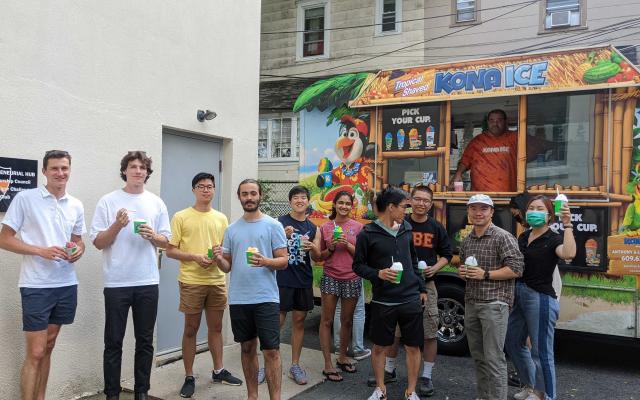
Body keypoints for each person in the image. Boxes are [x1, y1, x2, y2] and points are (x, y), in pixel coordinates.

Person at [0, 150, 86, 400]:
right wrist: (40, 250)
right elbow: (4, 239)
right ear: (45, 172)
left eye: (65, 168)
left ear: (70, 170)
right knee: (36, 352)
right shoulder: (26, 199)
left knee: (48, 347)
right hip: (36, 285)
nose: (60, 173)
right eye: (55, 168)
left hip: (66, 284)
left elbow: (78, 241)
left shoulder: (76, 204)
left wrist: (77, 251)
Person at [90, 151, 171, 400]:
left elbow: (166, 242)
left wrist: (152, 236)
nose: (137, 171)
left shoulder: (156, 202)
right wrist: (117, 225)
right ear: (124, 170)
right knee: (113, 341)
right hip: (117, 282)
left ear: (147, 172)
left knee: (145, 341)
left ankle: (142, 391)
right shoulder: (108, 201)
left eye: (142, 167)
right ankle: (112, 394)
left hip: (147, 281)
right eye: (133, 166)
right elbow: (98, 242)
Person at [367, 185, 452, 397]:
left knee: (429, 332)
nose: (421, 203)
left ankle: (426, 376)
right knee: (394, 335)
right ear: (410, 201)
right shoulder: (400, 223)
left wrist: (435, 268)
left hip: (425, 286)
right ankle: (389, 370)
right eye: (417, 199)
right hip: (395, 289)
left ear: (431, 205)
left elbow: (447, 254)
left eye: (426, 201)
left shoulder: (435, 227)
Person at [165, 172, 242, 398]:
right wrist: (195, 257)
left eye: (210, 186)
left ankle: (218, 370)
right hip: (191, 281)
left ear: (214, 189)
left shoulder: (221, 218)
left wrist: (218, 256)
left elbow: (225, 250)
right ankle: (189, 376)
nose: (206, 190)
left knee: (216, 328)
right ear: (193, 190)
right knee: (191, 329)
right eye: (201, 186)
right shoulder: (181, 216)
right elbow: (170, 250)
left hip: (217, 280)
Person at [211, 179, 288, 400]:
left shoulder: (273, 225)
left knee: (271, 351)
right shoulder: (232, 229)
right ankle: (252, 396)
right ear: (239, 197)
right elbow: (227, 266)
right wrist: (218, 259)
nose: (249, 198)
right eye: (245, 194)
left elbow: (283, 261)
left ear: (260, 195)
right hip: (239, 299)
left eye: (253, 193)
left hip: (266, 298)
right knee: (246, 348)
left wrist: (265, 261)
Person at [354, 186, 428, 400]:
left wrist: (421, 287)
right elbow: (358, 266)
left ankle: (411, 392)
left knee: (414, 347)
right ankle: (380, 388)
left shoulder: (406, 228)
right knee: (379, 347)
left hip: (410, 299)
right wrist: (378, 273)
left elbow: (413, 260)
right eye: (404, 206)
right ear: (391, 207)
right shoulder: (368, 233)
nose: (407, 210)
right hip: (383, 301)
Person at [505, 196, 575, 400]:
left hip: (541, 298)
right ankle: (531, 386)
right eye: (531, 208)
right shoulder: (523, 237)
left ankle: (546, 395)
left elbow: (569, 253)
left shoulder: (553, 238)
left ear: (549, 215)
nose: (534, 211)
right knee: (513, 340)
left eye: (539, 208)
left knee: (541, 351)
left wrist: (568, 224)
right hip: (519, 293)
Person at [458, 194, 524, 400]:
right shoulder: (467, 239)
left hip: (495, 304)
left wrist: (484, 274)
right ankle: (483, 396)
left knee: (494, 358)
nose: (478, 213)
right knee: (478, 357)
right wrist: (464, 272)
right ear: (468, 211)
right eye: (474, 208)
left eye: (483, 209)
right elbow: (465, 265)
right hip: (471, 302)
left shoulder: (503, 236)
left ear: (492, 212)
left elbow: (517, 269)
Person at [276, 185, 321, 385]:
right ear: (290, 202)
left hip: (303, 279)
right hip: (282, 279)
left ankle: (295, 365)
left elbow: (318, 257)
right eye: (296, 197)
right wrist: (283, 236)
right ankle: (267, 362)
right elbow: (269, 249)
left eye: (303, 197)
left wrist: (313, 248)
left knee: (299, 322)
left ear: (308, 201)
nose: (300, 200)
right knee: (275, 322)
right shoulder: (279, 223)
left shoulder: (313, 227)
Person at [317, 191, 364, 382]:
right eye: (340, 203)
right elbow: (319, 256)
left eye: (347, 203)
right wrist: (332, 248)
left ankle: (343, 356)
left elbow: (363, 257)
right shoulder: (325, 227)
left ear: (351, 206)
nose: (344, 206)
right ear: (334, 205)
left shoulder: (359, 227)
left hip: (352, 277)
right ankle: (328, 363)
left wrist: (348, 245)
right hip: (330, 276)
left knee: (347, 320)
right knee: (326, 320)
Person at [451, 109, 517, 192]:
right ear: (488, 122)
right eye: (492, 120)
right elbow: (465, 161)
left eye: (499, 120)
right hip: (480, 197)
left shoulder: (515, 138)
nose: (495, 124)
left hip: (508, 195)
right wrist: (458, 173)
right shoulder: (477, 141)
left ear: (505, 121)